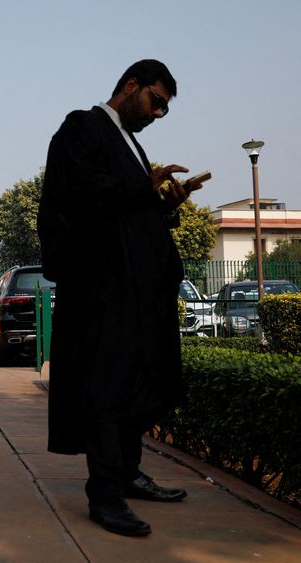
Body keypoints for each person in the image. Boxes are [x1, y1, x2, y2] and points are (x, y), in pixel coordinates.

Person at [37, 59, 204, 537]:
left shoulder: (130, 144)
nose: (156, 114)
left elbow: (126, 210)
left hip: (140, 296)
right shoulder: (83, 127)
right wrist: (141, 188)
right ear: (131, 86)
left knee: (141, 388)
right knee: (107, 392)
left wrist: (163, 204)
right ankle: (105, 495)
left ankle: (128, 473)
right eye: (155, 101)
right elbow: (80, 195)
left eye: (164, 109)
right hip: (103, 295)